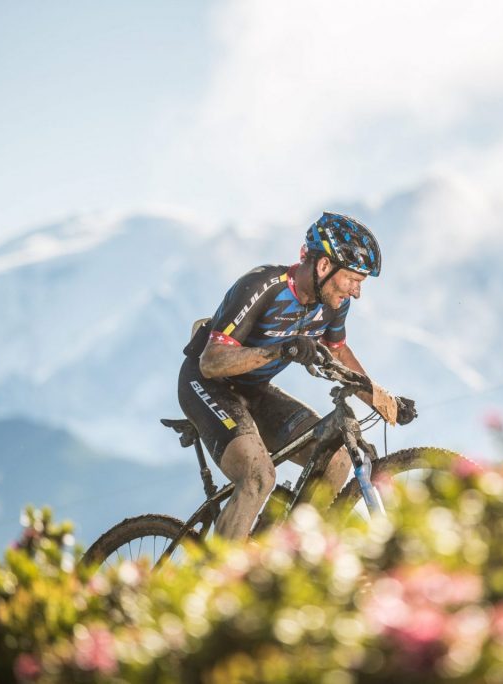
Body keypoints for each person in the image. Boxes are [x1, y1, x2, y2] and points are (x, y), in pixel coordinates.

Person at [178, 212, 416, 539]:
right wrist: (280, 349)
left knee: (336, 458)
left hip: (256, 390)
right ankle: (218, 581)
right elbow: (211, 362)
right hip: (207, 386)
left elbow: (338, 352)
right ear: (323, 267)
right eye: (353, 280)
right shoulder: (263, 286)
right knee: (259, 477)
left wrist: (383, 400)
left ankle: (280, 554)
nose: (357, 292)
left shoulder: (333, 304)